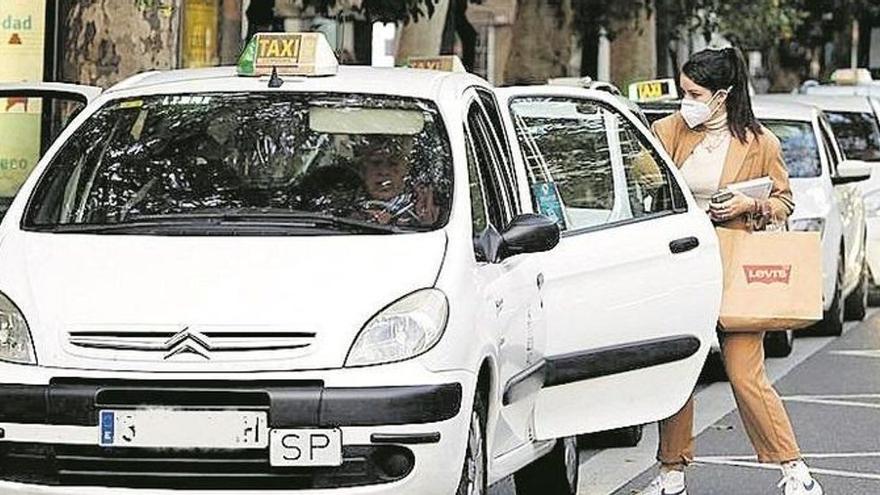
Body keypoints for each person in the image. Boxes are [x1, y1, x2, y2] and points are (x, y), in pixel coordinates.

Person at [637, 47, 823, 495]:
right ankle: (671, 472)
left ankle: (794, 469)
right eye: (683, 92)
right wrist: (645, 166)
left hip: (736, 269)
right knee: (681, 370)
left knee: (745, 375)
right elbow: (642, 182)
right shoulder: (667, 131)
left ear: (722, 96)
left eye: (694, 93)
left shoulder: (761, 143)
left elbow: (784, 202)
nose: (687, 102)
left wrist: (749, 204)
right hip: (682, 265)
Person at [352, 136, 439, 227]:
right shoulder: (343, 205)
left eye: (393, 163)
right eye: (376, 163)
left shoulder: (424, 205)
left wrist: (425, 223)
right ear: (362, 170)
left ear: (406, 169)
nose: (384, 171)